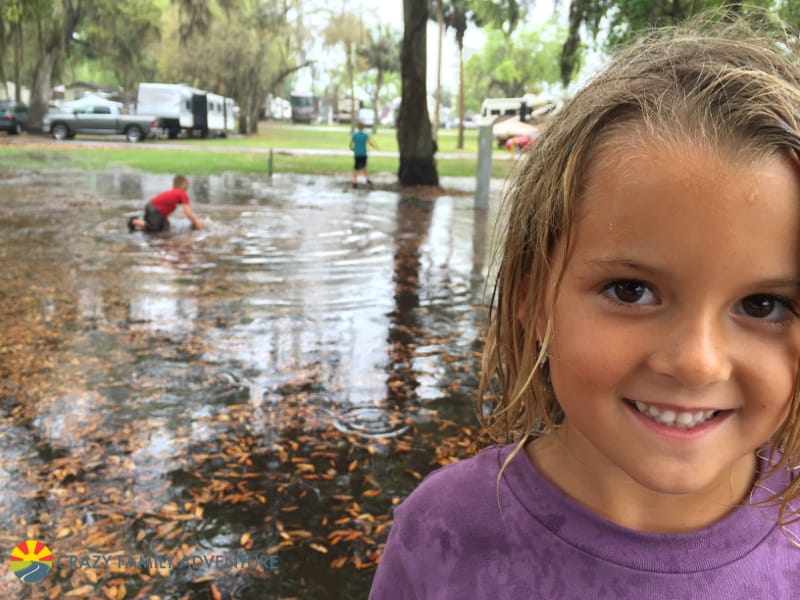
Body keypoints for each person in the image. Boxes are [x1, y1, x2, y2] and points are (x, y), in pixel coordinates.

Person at [370, 14, 800, 599]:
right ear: (530, 295)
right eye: (631, 290)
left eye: (764, 303)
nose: (698, 364)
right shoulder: (442, 534)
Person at [128, 174, 203, 232]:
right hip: (154, 210)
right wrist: (196, 222)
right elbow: (188, 213)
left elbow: (165, 206)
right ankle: (134, 221)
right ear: (185, 187)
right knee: (153, 229)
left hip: (152, 208)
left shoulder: (173, 193)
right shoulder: (182, 194)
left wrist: (166, 221)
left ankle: (144, 223)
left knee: (164, 228)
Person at [350, 121, 377, 188]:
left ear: (357, 127)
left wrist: (352, 148)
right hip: (363, 153)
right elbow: (369, 142)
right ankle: (367, 179)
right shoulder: (365, 135)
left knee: (356, 168)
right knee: (365, 166)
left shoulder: (355, 135)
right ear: (364, 127)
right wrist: (375, 147)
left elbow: (351, 143)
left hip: (357, 153)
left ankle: (355, 182)